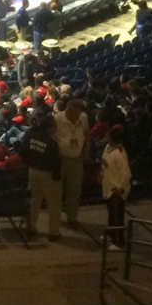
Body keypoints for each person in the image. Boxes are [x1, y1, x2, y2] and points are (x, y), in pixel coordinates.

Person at [23, 111, 63, 241]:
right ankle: (53, 232)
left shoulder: (30, 134)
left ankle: (31, 227)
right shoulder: (51, 142)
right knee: (54, 204)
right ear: (50, 127)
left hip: (33, 171)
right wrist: (57, 175)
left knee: (34, 201)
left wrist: (29, 163)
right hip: (48, 174)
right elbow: (55, 161)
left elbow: (22, 152)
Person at [55, 97, 89, 231]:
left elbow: (87, 134)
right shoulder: (57, 118)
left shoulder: (83, 117)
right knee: (57, 190)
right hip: (61, 158)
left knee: (74, 190)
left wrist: (87, 153)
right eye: (76, 113)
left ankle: (72, 218)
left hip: (77, 158)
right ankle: (56, 217)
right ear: (69, 110)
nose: (78, 116)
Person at [100, 127, 131, 248]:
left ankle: (119, 242)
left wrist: (120, 188)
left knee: (117, 216)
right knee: (111, 214)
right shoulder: (108, 148)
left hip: (115, 189)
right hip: (107, 185)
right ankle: (111, 234)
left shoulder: (119, 154)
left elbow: (126, 173)